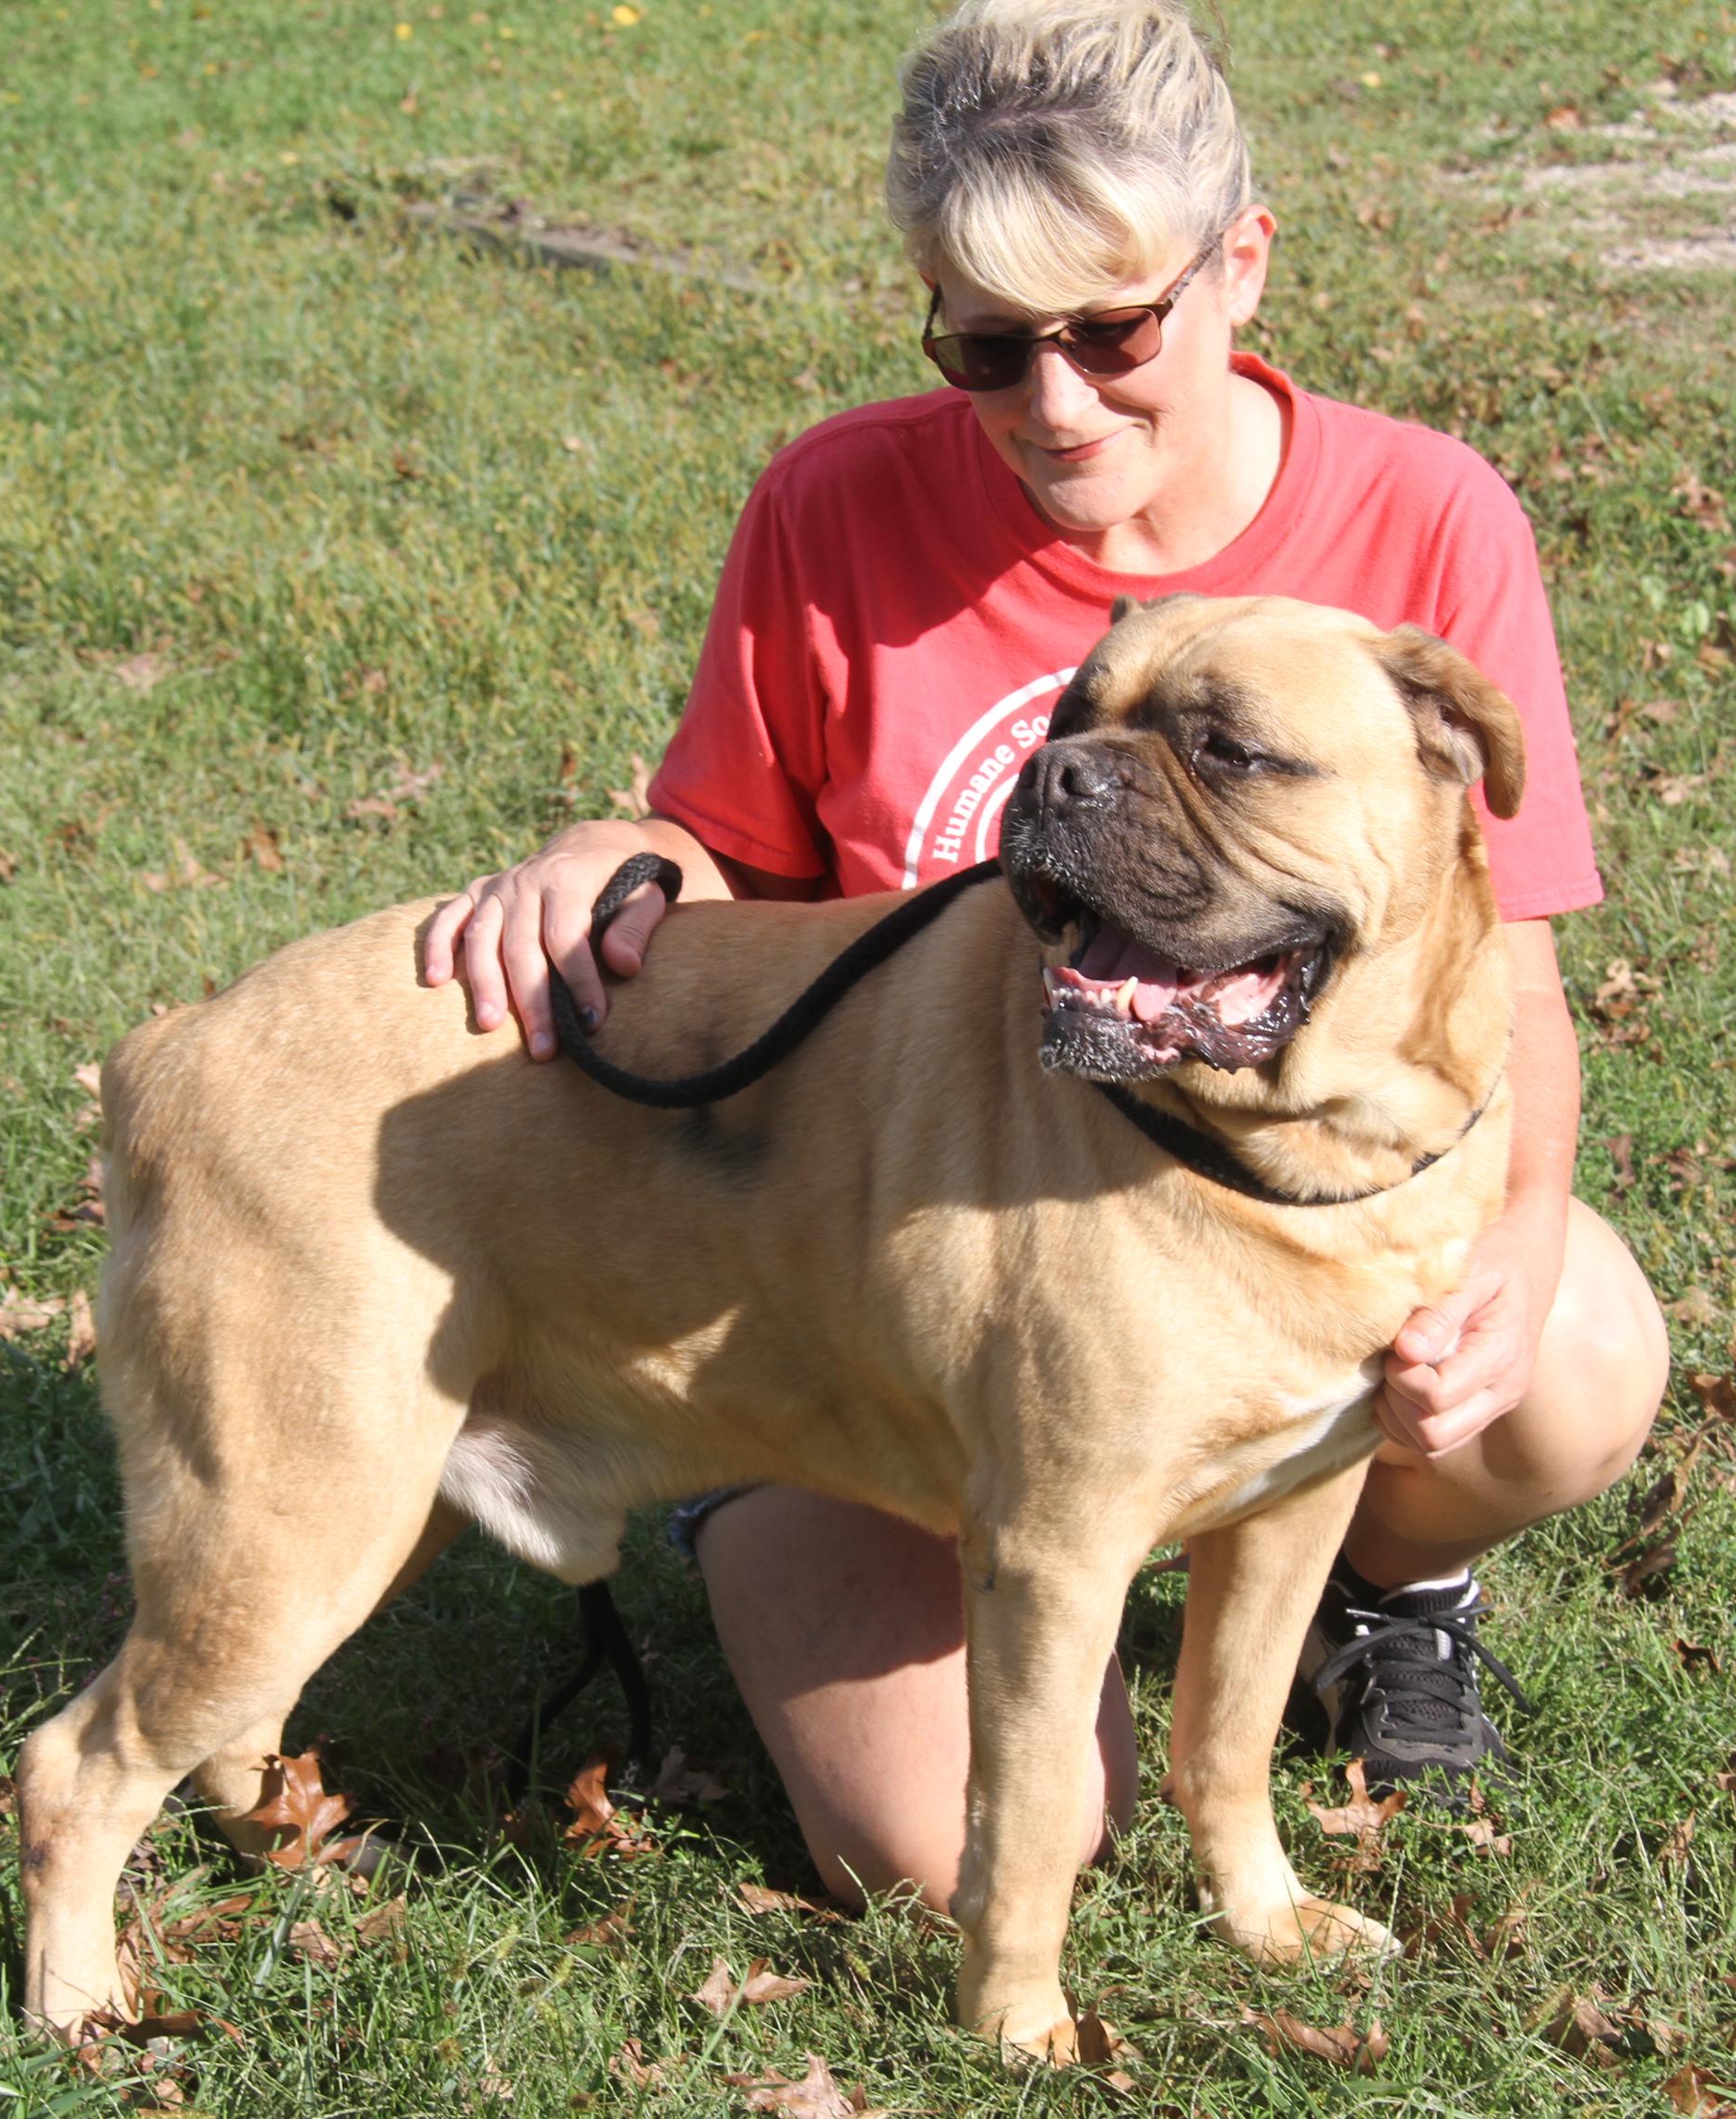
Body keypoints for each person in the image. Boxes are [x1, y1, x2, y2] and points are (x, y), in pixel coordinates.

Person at [421, 0, 1669, 1911]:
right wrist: (615, 852)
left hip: (1262, 1237)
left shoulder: (1422, 519)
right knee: (944, 1853)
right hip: (878, 1306)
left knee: (1569, 1351)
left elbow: (1510, 967)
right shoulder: (837, 503)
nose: (1055, 404)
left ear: (1238, 263)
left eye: (1111, 331)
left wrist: (1512, 1237)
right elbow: (728, 867)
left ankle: (1382, 1585)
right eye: (985, 345)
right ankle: (783, 1485)